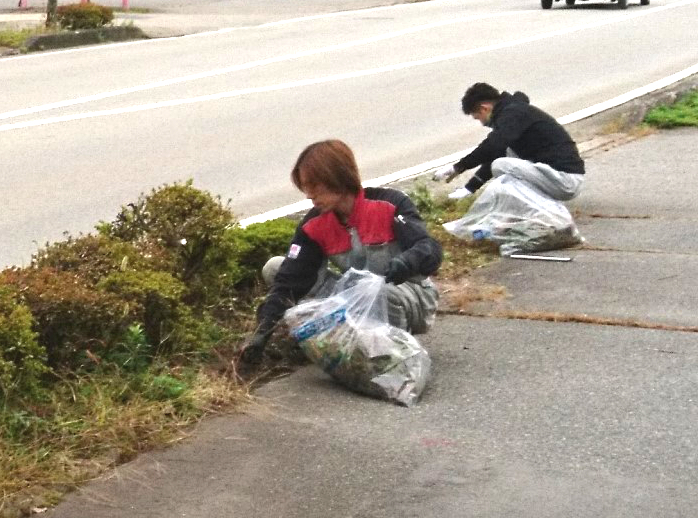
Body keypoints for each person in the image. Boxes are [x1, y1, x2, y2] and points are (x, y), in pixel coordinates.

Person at [240, 140, 442, 369]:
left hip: (407, 294)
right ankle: (338, 340)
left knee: (384, 293)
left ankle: (392, 354)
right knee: (276, 268)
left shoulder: (389, 204)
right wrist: (262, 332)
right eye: (305, 187)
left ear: (336, 178)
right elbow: (289, 280)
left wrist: (407, 262)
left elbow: (429, 248)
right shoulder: (315, 224)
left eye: (313, 186)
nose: (308, 195)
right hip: (356, 297)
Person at [432, 83, 584, 202]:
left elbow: (492, 146)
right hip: (559, 176)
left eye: (478, 117)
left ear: (484, 109)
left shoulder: (514, 115)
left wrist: (459, 167)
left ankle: (534, 210)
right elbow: (498, 151)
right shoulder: (515, 112)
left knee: (501, 166)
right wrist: (470, 188)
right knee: (506, 156)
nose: (481, 123)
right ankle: (529, 205)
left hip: (565, 181)